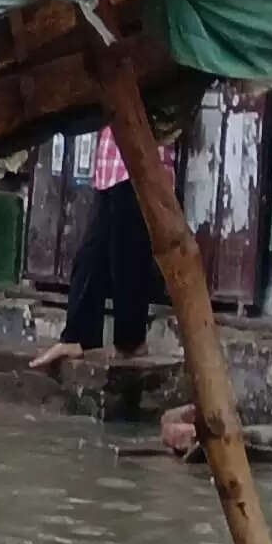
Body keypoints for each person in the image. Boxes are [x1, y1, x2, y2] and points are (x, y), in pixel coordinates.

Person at [29, 130, 167, 372]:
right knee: (91, 253)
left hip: (140, 163)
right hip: (111, 166)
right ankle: (78, 337)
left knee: (127, 253)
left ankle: (130, 341)